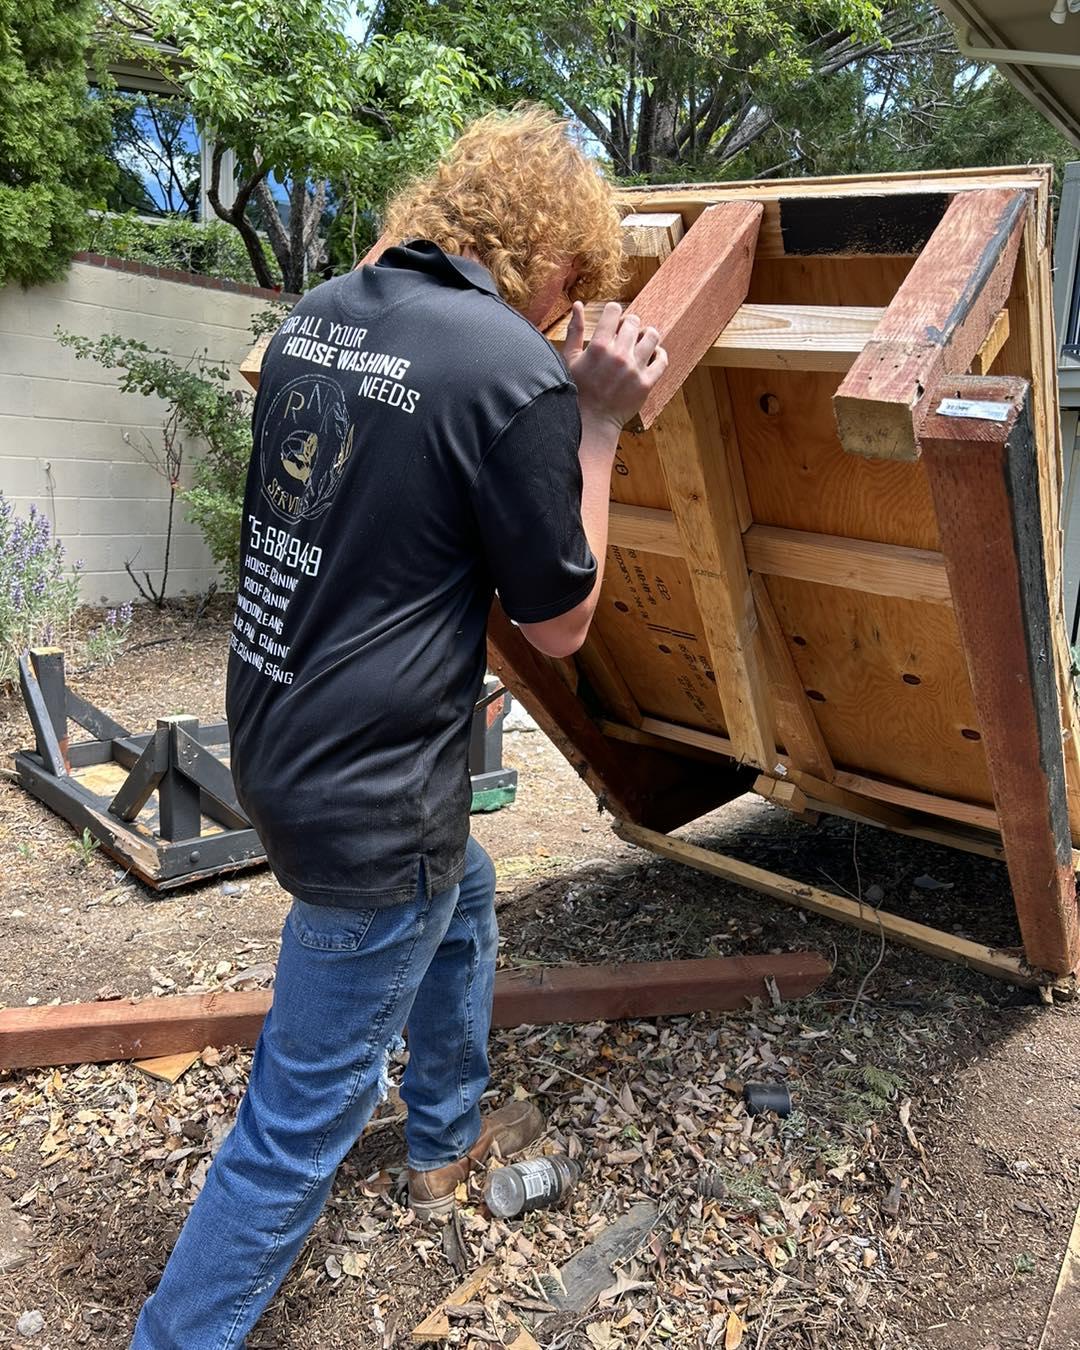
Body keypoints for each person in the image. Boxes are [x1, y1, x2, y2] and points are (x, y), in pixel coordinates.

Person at [131, 103, 667, 1349]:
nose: (565, 316)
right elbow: (561, 624)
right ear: (558, 261)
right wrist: (594, 417)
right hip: (373, 805)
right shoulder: (512, 367)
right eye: (573, 290)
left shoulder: (321, 313)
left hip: (279, 740)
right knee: (295, 1126)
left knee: (462, 891)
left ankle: (444, 1137)